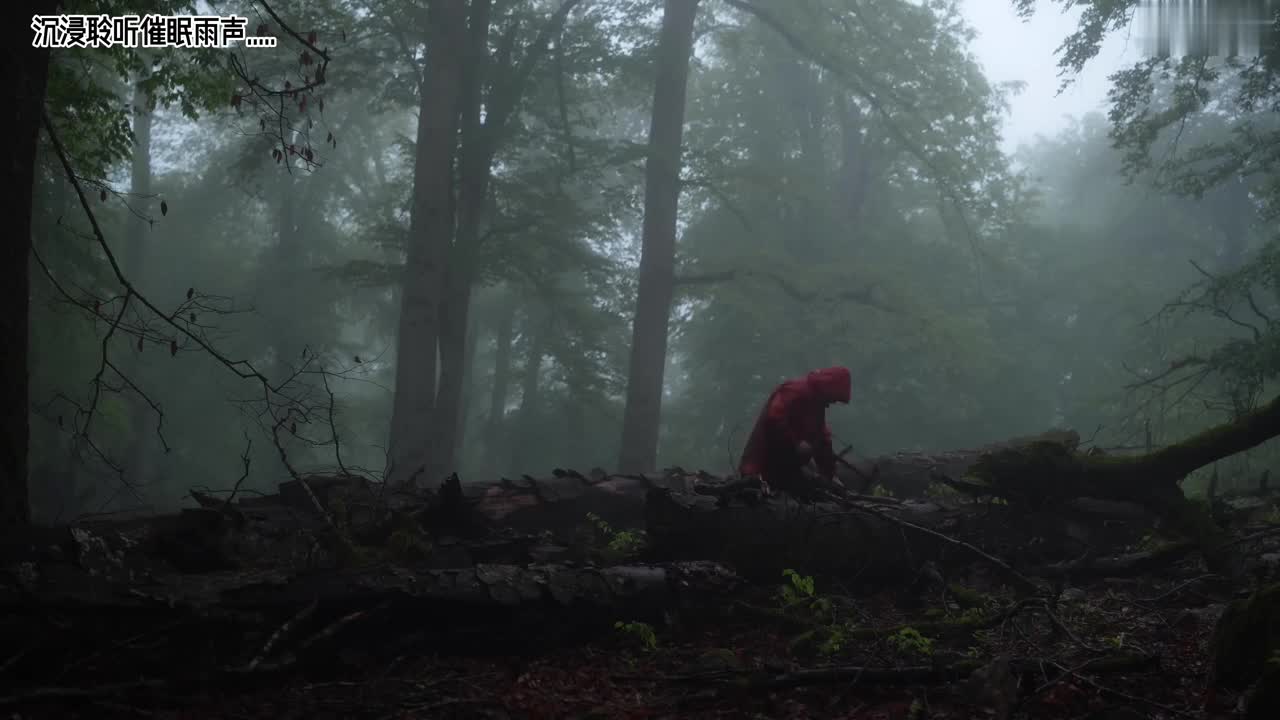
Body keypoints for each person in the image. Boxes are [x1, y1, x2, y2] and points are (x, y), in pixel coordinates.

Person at [738, 366, 851, 498]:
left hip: (788, 466)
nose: (832, 402)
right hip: (763, 465)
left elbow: (822, 440)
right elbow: (773, 420)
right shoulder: (795, 391)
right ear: (829, 388)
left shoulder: (817, 405)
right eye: (834, 398)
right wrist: (796, 444)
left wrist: (830, 475)